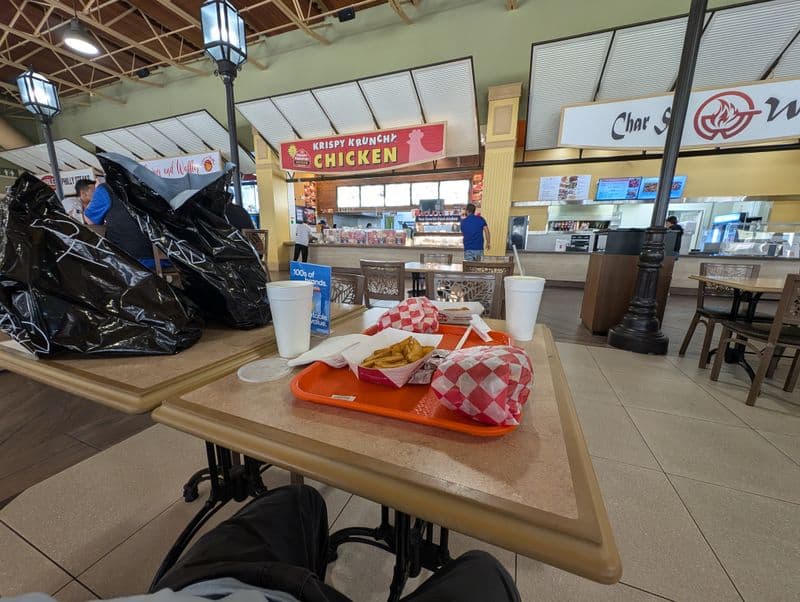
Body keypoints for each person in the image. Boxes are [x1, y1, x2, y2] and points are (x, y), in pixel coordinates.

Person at [9, 485, 520, 602]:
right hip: (204, 593)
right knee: (485, 574)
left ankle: (310, 573)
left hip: (193, 592)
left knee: (300, 502)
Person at [83, 177, 156, 268]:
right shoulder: (150, 188)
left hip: (130, 260)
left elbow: (89, 219)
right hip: (163, 257)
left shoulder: (105, 189)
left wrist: (98, 189)